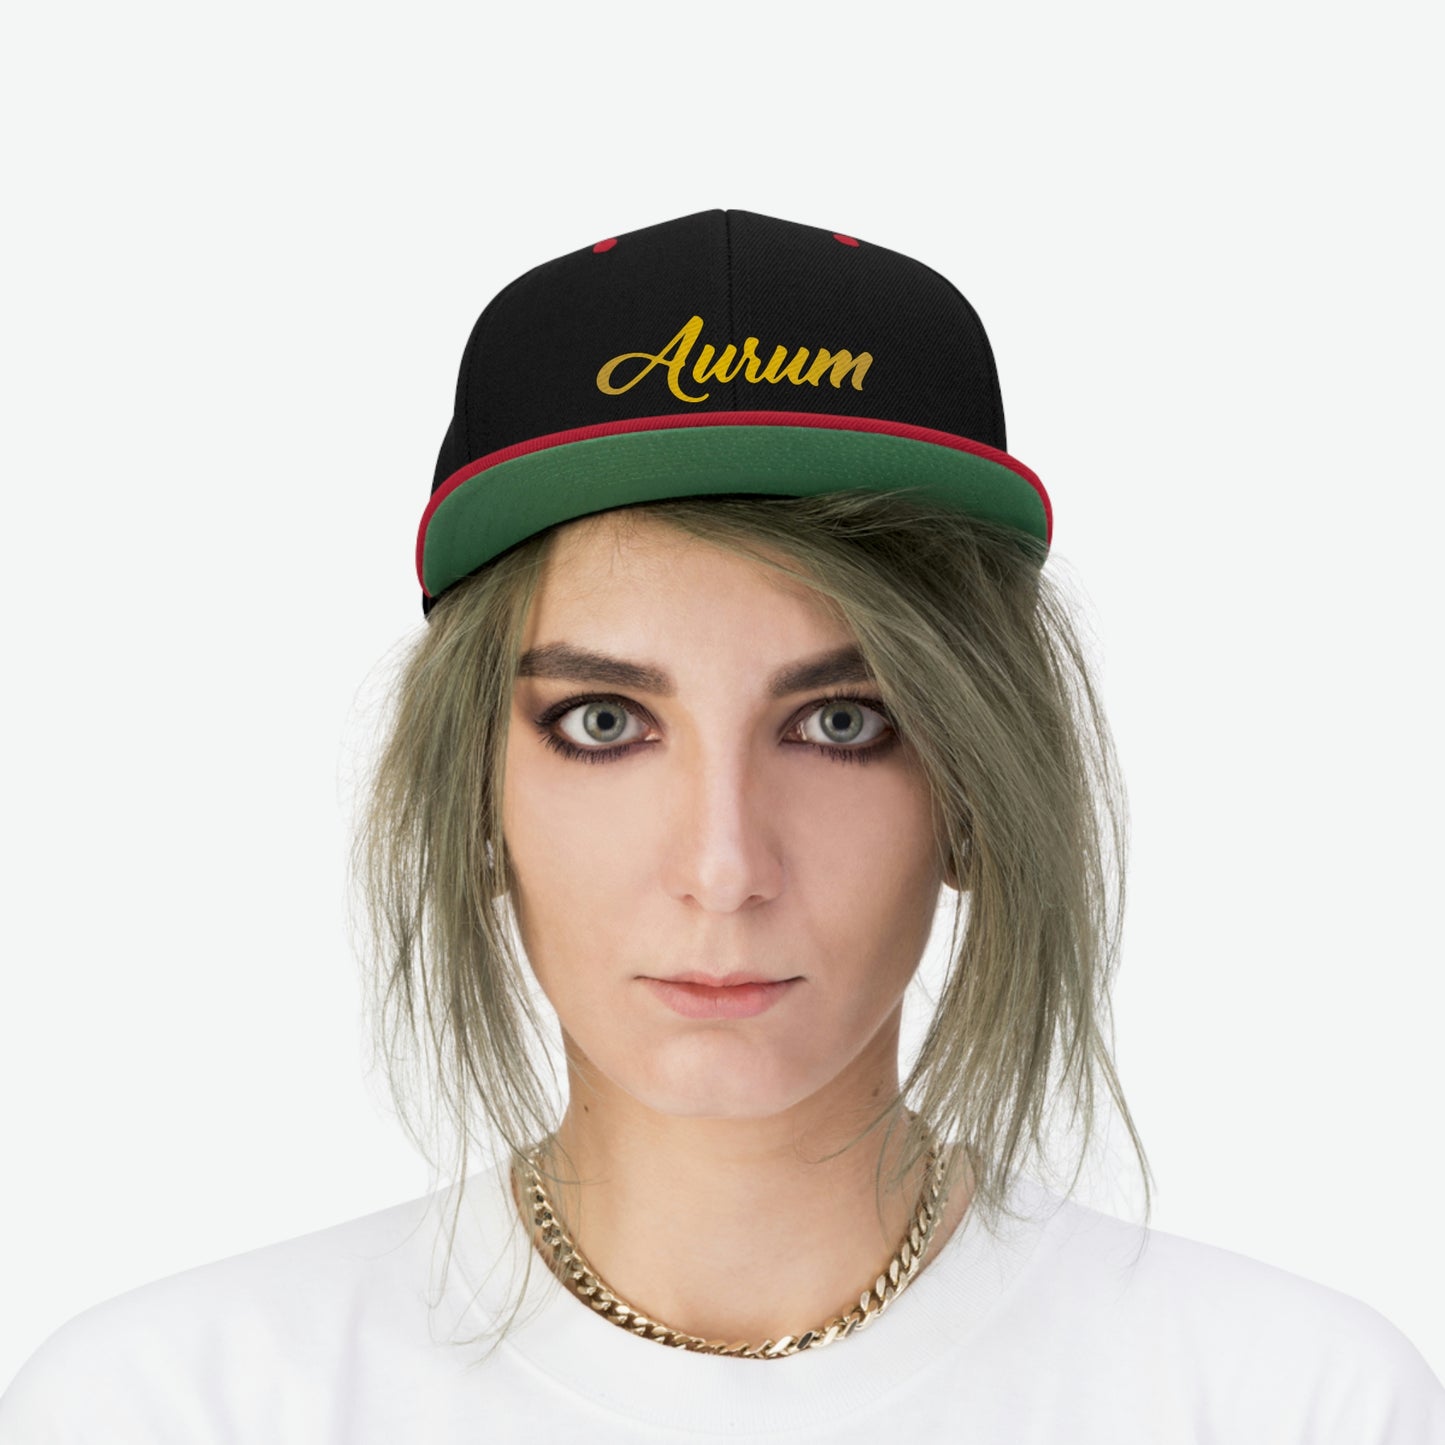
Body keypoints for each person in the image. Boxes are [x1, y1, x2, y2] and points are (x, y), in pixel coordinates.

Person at [2, 208, 1441, 1442]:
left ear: (975, 792)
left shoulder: (1289, 1404)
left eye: (841, 723)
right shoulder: (171, 1408)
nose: (723, 867)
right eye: (603, 723)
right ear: (474, 798)